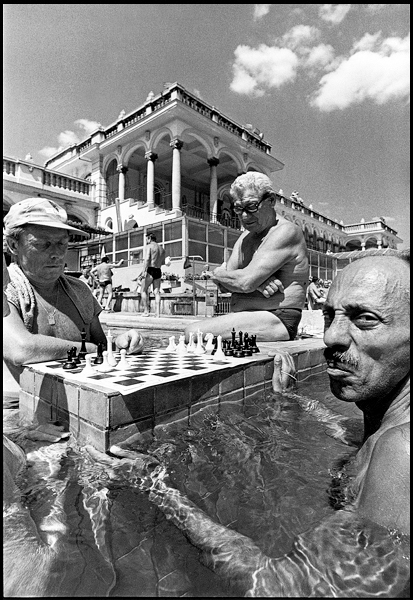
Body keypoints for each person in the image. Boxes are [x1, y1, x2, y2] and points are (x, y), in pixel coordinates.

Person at [88, 251, 410, 597]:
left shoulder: (401, 451)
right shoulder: (383, 429)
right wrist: (293, 401)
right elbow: (354, 438)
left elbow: (282, 588)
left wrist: (158, 489)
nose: (331, 336)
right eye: (329, 315)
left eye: (365, 319)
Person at [3, 197, 145, 416]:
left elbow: (101, 345)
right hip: (17, 411)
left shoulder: (79, 290)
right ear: (14, 245)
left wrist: (119, 343)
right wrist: (90, 349)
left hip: (80, 406)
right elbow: (22, 350)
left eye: (62, 243)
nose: (57, 253)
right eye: (43, 244)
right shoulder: (7, 289)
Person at [184, 172, 309, 342]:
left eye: (251, 206)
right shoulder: (245, 237)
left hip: (276, 319)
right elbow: (225, 287)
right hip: (249, 318)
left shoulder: (286, 231)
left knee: (192, 332)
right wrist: (256, 282)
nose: (244, 216)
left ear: (271, 200)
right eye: (238, 208)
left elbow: (243, 282)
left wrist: (220, 274)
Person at [140, 232, 168, 317]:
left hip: (150, 270)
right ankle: (157, 314)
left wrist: (144, 271)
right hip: (158, 270)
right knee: (157, 292)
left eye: (146, 239)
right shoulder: (162, 249)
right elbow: (163, 262)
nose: (146, 241)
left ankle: (146, 311)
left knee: (143, 290)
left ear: (149, 238)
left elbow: (147, 259)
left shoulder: (149, 246)